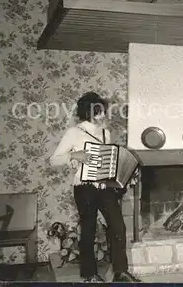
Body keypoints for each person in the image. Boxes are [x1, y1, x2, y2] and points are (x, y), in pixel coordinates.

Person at [49, 92, 140, 282]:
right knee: (88, 230)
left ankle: (120, 272)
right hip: (84, 187)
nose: (103, 115)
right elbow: (53, 160)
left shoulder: (106, 133)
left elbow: (106, 160)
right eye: (99, 111)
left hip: (104, 186)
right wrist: (74, 156)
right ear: (88, 111)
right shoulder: (74, 132)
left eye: (103, 110)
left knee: (118, 227)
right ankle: (89, 275)